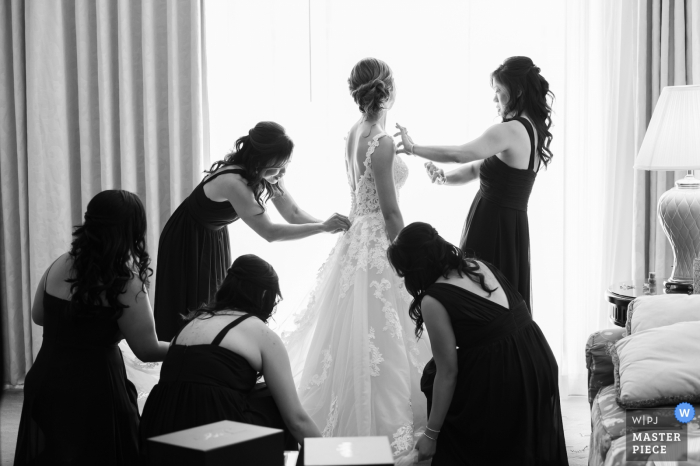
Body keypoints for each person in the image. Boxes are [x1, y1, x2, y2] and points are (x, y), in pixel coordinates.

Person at [280, 58, 432, 458]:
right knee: (384, 334)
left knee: (355, 335)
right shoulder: (380, 141)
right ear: (389, 89)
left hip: (354, 238)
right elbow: (391, 212)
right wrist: (410, 262)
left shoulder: (353, 132)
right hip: (378, 241)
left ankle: (343, 428)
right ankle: (380, 432)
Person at [387, 222, 568, 465]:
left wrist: (431, 434)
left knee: (438, 383)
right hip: (539, 358)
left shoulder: (433, 300)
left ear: (413, 268)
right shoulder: (478, 265)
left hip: (509, 376)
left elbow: (448, 372)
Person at [154, 121, 351, 341]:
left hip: (213, 235)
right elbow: (270, 232)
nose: (283, 172)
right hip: (186, 238)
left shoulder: (266, 173)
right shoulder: (234, 182)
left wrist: (326, 226)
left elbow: (292, 213)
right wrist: (322, 227)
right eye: (279, 165)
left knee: (209, 307)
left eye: (286, 164)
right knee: (187, 308)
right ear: (261, 159)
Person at [14, 190, 169, 466]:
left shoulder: (60, 263)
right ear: (131, 230)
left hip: (47, 382)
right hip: (95, 391)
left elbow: (39, 315)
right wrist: (190, 346)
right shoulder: (124, 283)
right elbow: (147, 350)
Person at [394, 56, 555, 313]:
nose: (495, 100)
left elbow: (460, 153)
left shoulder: (510, 130)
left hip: (492, 227)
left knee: (480, 300)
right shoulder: (532, 131)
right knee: (500, 303)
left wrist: (414, 148)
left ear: (518, 91)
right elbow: (473, 169)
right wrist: (444, 178)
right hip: (511, 228)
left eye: (498, 92)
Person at [140, 254, 320, 464]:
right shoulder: (259, 333)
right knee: (275, 401)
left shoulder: (193, 322)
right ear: (264, 294)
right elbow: (296, 420)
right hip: (209, 427)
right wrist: (327, 453)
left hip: (158, 426)